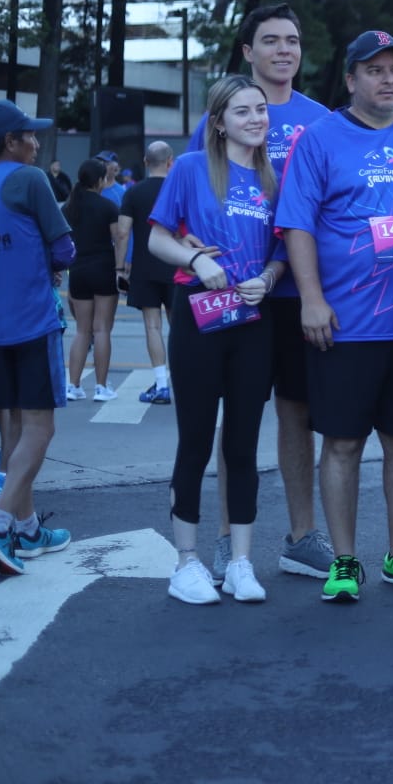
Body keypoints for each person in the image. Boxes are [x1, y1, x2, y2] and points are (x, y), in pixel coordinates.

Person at [277, 29, 393, 603]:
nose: (387, 80)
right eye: (373, 70)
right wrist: (311, 298)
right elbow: (297, 223)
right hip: (343, 324)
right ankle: (346, 560)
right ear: (350, 79)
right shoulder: (320, 139)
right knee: (343, 444)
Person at [198, 3, 335, 585]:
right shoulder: (224, 116)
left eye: (293, 40)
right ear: (247, 52)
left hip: (299, 292)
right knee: (239, 418)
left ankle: (301, 538)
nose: (284, 50)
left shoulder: (323, 120)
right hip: (237, 296)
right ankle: (231, 541)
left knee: (299, 416)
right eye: (271, 40)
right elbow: (195, 199)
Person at [148, 75, 285, 604]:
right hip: (198, 317)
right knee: (197, 440)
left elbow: (281, 251)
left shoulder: (276, 179)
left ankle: (241, 563)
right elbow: (158, 237)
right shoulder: (189, 169)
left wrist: (270, 278)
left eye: (260, 110)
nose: (255, 118)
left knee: (244, 444)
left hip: (253, 320)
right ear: (218, 120)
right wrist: (198, 259)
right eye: (242, 111)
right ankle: (187, 562)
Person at [0, 100, 75, 576]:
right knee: (41, 428)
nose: (37, 143)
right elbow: (63, 248)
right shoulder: (29, 180)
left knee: (14, 428)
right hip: (31, 320)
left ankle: (26, 529)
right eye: (30, 135)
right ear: (10, 141)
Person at [118, 141, 177, 404]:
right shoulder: (179, 189)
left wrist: (120, 267)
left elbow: (122, 232)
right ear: (170, 161)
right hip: (178, 265)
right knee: (180, 328)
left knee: (152, 326)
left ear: (145, 161)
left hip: (145, 266)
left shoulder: (133, 193)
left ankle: (162, 386)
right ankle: (189, 381)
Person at [63, 158, 123, 402]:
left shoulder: (68, 208)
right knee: (102, 330)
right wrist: (121, 269)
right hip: (104, 269)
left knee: (81, 331)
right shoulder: (107, 206)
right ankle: (101, 387)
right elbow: (118, 238)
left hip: (77, 270)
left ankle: (73, 386)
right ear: (100, 180)